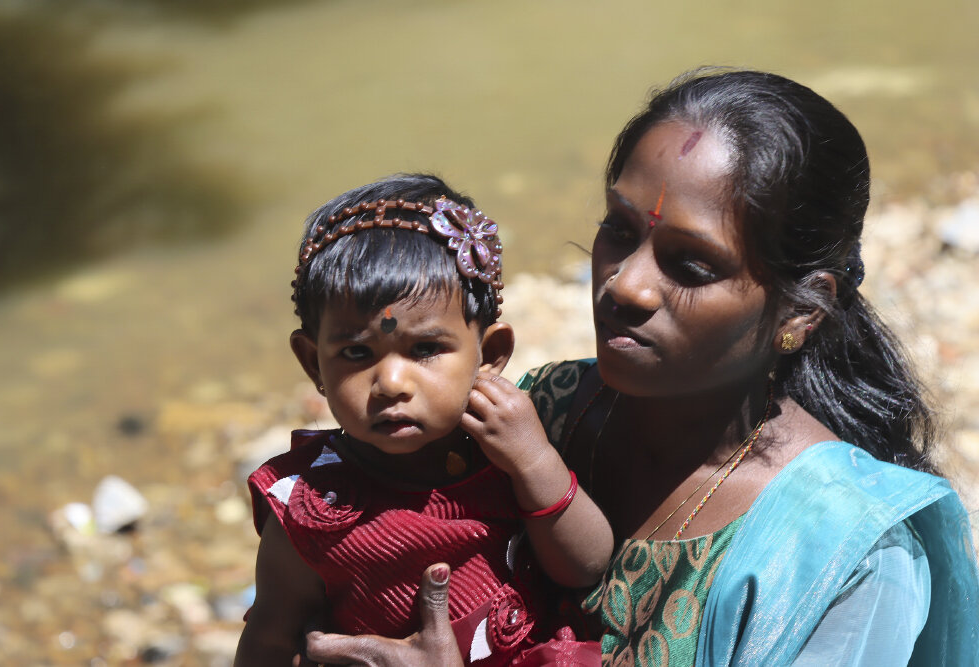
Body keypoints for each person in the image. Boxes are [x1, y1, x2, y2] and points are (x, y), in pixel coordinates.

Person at [296, 70, 979, 666]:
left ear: (802, 313)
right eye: (619, 229)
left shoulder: (844, 555)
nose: (624, 285)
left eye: (690, 265)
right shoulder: (545, 413)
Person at [234, 173, 613, 666]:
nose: (391, 382)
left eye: (426, 349)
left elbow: (586, 566)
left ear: (490, 353)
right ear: (312, 364)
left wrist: (534, 460)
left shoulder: (501, 448)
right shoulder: (312, 509)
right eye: (355, 352)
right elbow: (269, 641)